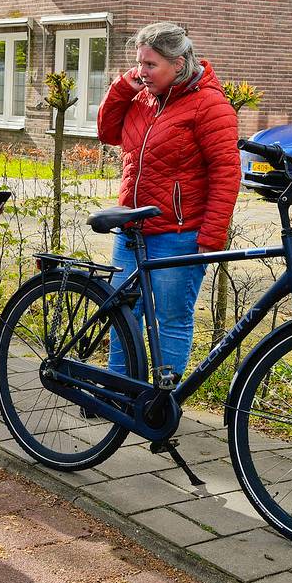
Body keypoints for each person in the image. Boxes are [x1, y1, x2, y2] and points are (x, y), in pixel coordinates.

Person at [97, 21, 240, 378]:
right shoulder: (143, 98)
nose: (141, 72)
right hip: (131, 227)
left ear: (177, 64)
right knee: (122, 317)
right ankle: (119, 391)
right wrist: (121, 89)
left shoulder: (209, 105)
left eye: (150, 65)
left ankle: (162, 404)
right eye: (139, 63)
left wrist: (210, 237)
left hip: (177, 234)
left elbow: (226, 173)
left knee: (170, 320)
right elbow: (108, 132)